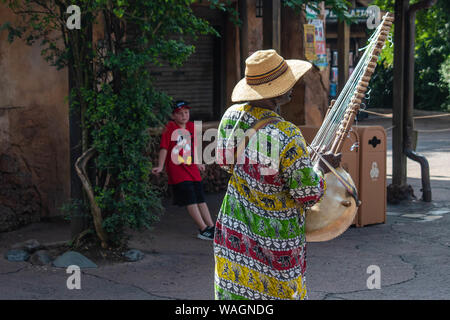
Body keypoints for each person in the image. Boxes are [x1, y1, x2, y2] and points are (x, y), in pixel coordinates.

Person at [213, 49, 341, 300]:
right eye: (288, 83)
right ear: (275, 92)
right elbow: (308, 193)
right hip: (276, 241)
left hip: (234, 232)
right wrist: (322, 167)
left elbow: (224, 162)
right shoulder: (287, 133)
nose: (292, 86)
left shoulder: (230, 118)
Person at [152, 100, 215, 240]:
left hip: (192, 167)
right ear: (173, 116)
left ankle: (211, 226)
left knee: (200, 198)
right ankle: (203, 229)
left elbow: (196, 147)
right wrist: (161, 166)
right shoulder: (170, 127)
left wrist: (199, 162)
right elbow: (164, 148)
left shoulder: (192, 127)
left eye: (186, 112)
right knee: (190, 198)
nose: (184, 115)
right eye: (180, 113)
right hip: (177, 168)